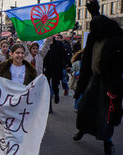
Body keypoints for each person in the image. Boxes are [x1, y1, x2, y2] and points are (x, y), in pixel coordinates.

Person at [73, 1, 123, 155]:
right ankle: (82, 129)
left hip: (108, 83)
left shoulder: (115, 41)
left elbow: (118, 67)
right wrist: (93, 11)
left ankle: (108, 143)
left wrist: (114, 87)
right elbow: (98, 21)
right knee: (84, 108)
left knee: (105, 114)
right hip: (92, 79)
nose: (92, 30)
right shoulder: (94, 38)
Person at [43, 36, 69, 104]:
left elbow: (63, 55)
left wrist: (66, 64)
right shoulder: (44, 44)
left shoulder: (59, 43)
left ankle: (56, 95)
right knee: (46, 85)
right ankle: (48, 100)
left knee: (55, 84)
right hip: (47, 67)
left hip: (56, 68)